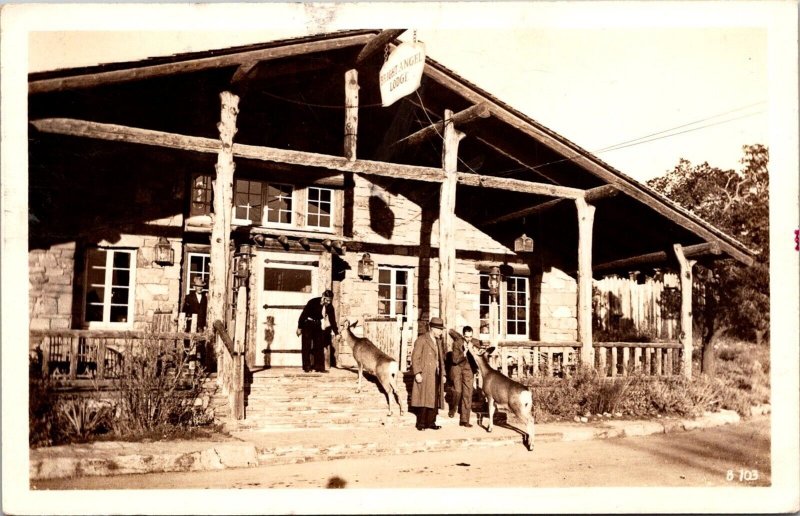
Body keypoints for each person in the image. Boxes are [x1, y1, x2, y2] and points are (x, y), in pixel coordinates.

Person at [410, 317, 447, 431]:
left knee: (434, 398)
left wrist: (443, 374)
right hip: (425, 373)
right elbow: (415, 358)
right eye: (439, 329)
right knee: (423, 398)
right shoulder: (421, 340)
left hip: (435, 373)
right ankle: (421, 424)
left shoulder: (438, 341)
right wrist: (417, 373)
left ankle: (431, 422)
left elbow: (441, 360)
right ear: (432, 328)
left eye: (441, 329)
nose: (441, 332)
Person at [296, 289, 339, 373]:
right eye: (326, 300)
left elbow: (333, 321)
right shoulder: (313, 302)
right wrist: (299, 327)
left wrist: (336, 333)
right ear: (323, 297)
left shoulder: (330, 307)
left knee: (319, 346)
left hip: (317, 325)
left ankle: (319, 367)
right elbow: (303, 314)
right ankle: (307, 367)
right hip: (307, 324)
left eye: (330, 300)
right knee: (306, 346)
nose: (328, 302)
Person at [448, 325, 479, 427]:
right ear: (463, 336)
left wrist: (473, 351)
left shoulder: (475, 343)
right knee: (457, 391)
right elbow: (454, 360)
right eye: (466, 337)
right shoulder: (457, 343)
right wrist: (465, 353)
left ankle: (464, 420)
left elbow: (479, 356)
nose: (468, 339)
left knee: (467, 393)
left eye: (470, 337)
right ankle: (453, 408)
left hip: (469, 369)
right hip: (457, 367)